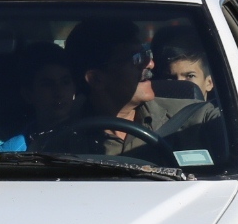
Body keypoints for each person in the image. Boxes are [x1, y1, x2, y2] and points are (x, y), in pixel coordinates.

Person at [62, 20, 222, 158]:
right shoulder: (62, 141)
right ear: (96, 79)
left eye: (145, 53)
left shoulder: (199, 117)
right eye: (135, 58)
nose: (150, 64)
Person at [152, 26, 215, 100]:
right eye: (171, 78)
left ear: (209, 83)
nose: (179, 84)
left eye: (190, 76)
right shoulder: (151, 110)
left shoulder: (219, 111)